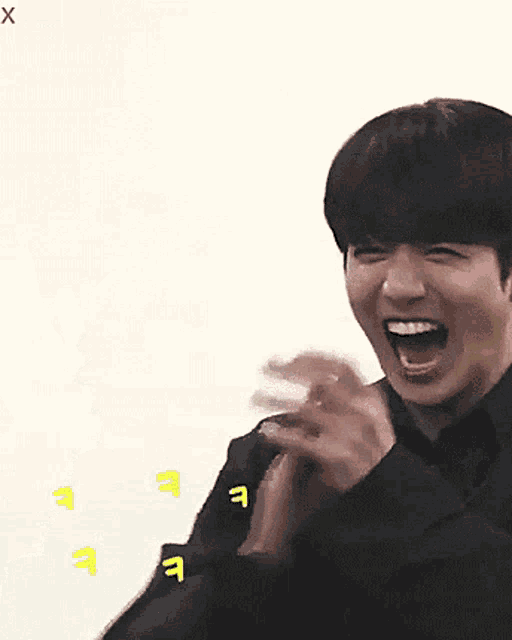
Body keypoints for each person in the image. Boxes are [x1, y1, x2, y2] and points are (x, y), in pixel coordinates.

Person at [98, 98, 512, 639]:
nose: (399, 286)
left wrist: (385, 488)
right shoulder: (284, 454)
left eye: (441, 252)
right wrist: (259, 556)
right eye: (370, 251)